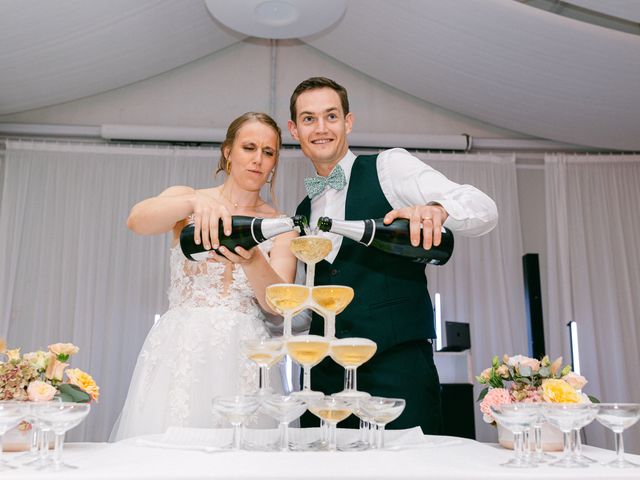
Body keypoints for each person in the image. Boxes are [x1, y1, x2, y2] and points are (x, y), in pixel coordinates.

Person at [288, 77, 499, 434]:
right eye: (309, 119)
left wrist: (438, 209)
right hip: (322, 384)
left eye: (331, 116)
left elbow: (484, 208)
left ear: (348, 122)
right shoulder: (302, 210)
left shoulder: (389, 167)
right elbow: (310, 310)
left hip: (396, 373)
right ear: (294, 130)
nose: (320, 128)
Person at [110, 112, 298, 441]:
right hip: (182, 346)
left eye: (268, 153)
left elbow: (279, 305)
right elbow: (137, 222)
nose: (258, 160)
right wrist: (193, 201)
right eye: (249, 148)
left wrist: (252, 260)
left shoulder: (280, 225)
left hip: (246, 352)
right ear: (228, 151)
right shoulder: (188, 199)